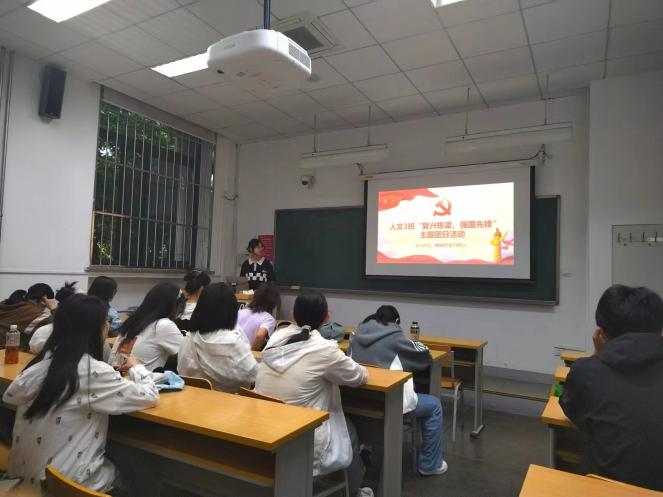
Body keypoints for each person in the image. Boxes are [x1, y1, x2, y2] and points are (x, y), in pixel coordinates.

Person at [2, 294, 159, 493]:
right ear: (96, 328)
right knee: (143, 469)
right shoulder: (92, 371)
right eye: (106, 321)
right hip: (66, 486)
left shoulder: (37, 367)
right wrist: (137, 367)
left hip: (22, 480)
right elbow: (149, 396)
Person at [255, 291, 372, 497]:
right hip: (302, 438)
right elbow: (359, 377)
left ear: (293, 314)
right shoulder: (325, 350)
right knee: (351, 429)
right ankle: (354, 492)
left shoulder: (275, 339)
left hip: (265, 431)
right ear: (327, 317)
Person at [560, 285, 663, 491]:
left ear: (601, 333)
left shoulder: (587, 371)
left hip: (607, 489)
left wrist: (598, 355)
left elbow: (572, 410)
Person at [349, 306, 448, 476]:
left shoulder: (354, 336)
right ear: (396, 322)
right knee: (434, 406)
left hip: (357, 400)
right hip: (388, 402)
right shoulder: (396, 339)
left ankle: (366, 447)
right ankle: (429, 465)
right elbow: (425, 357)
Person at [177, 283, 258, 392]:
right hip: (230, 400)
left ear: (200, 307)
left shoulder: (189, 338)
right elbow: (253, 375)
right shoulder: (233, 342)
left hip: (192, 398)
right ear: (231, 310)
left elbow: (181, 371)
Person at [108, 283, 184, 372]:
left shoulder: (133, 320)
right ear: (175, 305)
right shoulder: (164, 325)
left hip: (116, 376)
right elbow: (186, 354)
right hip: (140, 379)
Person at [0, 283, 57, 348]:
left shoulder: (7, 303)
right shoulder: (31, 312)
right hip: (6, 351)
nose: (43, 310)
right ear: (44, 300)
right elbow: (60, 326)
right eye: (45, 307)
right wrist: (54, 308)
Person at [29, 282, 78, 355]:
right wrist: (53, 309)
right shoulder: (42, 319)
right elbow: (61, 325)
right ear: (43, 300)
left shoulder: (17, 305)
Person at [237, 283, 279, 350]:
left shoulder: (240, 312)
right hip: (245, 353)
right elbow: (259, 336)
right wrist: (252, 354)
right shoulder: (269, 319)